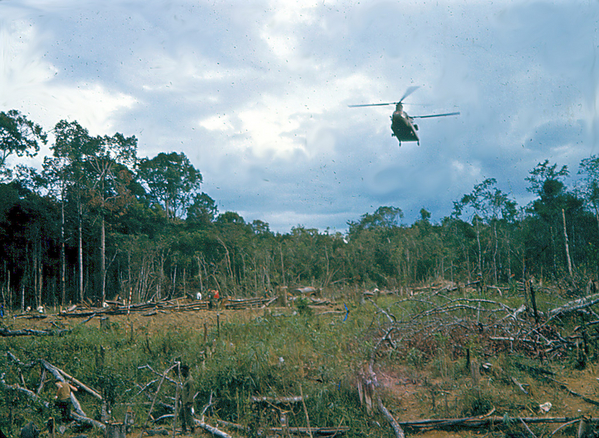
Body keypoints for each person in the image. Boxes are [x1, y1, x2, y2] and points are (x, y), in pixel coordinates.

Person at [180, 365, 195, 434]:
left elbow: (191, 392)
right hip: (183, 401)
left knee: (188, 416)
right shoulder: (185, 379)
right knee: (181, 414)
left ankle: (192, 429)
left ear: (186, 371)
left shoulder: (190, 380)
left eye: (183, 371)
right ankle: (183, 429)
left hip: (187, 402)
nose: (182, 372)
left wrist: (190, 402)